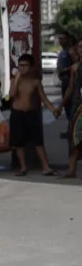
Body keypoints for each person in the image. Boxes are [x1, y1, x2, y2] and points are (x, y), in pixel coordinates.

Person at [8, 54, 60, 177]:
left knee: (37, 141)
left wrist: (53, 109)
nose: (23, 68)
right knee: (19, 143)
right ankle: (23, 167)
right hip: (17, 113)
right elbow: (11, 94)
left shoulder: (35, 82)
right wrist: (16, 78)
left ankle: (45, 167)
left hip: (31, 113)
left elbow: (43, 98)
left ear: (31, 67)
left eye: (25, 66)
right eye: (20, 65)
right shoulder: (14, 80)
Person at [58, 43, 82, 178]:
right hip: (77, 107)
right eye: (80, 47)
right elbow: (70, 88)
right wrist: (61, 105)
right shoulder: (75, 68)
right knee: (74, 139)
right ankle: (71, 170)